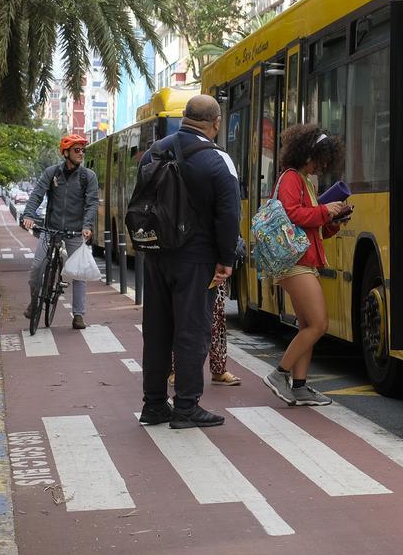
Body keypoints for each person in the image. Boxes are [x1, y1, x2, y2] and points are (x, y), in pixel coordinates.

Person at [138, 95, 240, 429]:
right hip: (196, 260)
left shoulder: (154, 151)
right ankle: (185, 406)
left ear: (185, 118)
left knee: (157, 330)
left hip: (155, 255)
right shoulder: (217, 159)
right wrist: (226, 259)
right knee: (192, 330)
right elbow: (228, 212)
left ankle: (153, 405)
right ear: (216, 122)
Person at [262, 124, 349, 408]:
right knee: (320, 324)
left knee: (308, 325)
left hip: (303, 260)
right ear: (308, 154)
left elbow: (315, 228)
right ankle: (279, 374)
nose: (321, 166)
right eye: (319, 159)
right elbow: (293, 215)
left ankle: (299, 387)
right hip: (296, 263)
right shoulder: (291, 179)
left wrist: (333, 221)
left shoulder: (303, 181)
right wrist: (326, 210)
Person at [21, 134, 99, 329]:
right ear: (66, 153)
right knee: (36, 269)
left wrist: (87, 226)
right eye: (76, 150)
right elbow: (37, 194)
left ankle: (78, 315)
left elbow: (91, 204)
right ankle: (34, 302)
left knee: (79, 273)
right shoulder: (52, 173)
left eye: (82, 149)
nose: (81, 153)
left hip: (74, 233)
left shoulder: (88, 176)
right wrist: (28, 215)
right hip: (51, 230)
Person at [168, 279, 242, 387]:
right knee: (184, 314)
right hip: (187, 267)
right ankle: (177, 369)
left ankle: (219, 370)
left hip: (214, 268)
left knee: (217, 317)